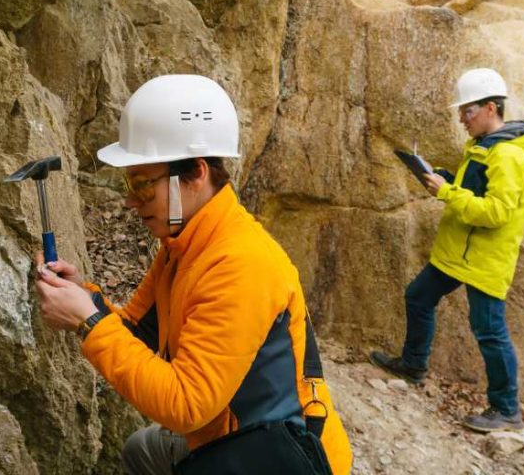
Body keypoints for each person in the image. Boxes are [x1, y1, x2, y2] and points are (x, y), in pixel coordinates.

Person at [33, 74, 352, 474]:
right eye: (129, 182)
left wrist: (87, 322)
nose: (131, 200)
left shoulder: (241, 264)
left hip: (282, 458)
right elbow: (137, 333)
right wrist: (87, 298)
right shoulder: (184, 244)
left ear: (196, 173)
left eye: (143, 184)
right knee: (142, 450)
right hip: (232, 434)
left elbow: (186, 405)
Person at [371, 67, 524, 432]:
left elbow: (496, 212)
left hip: (484, 259)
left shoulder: (509, 156)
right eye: (462, 110)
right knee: (419, 297)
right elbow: (477, 191)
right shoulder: (485, 147)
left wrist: (447, 192)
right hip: (459, 254)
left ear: (491, 108)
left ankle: (506, 409)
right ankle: (414, 365)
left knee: (489, 330)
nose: (461, 118)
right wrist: (445, 179)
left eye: (467, 110)